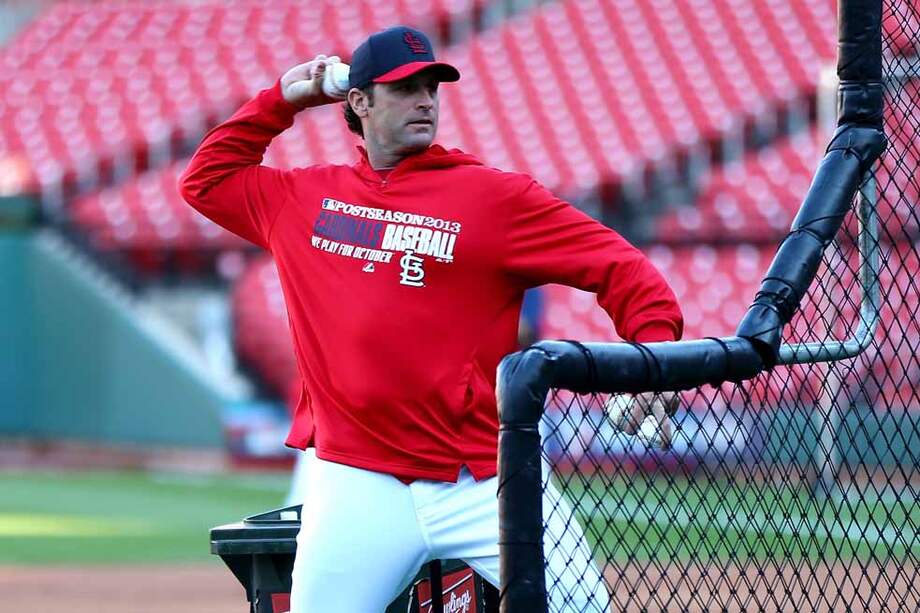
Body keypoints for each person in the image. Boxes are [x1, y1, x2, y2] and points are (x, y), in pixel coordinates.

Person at [180, 25, 683, 612]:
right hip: (356, 479)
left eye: (431, 87)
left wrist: (653, 358)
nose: (424, 100)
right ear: (359, 102)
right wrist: (282, 100)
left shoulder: (495, 199)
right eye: (402, 88)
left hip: (485, 478)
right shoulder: (303, 200)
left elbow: (621, 267)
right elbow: (206, 180)